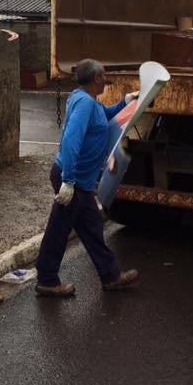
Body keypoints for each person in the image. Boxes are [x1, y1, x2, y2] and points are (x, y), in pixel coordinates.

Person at [35, 58, 138, 296]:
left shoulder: (89, 101)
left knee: (91, 228)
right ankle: (47, 280)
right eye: (103, 75)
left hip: (80, 180)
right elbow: (71, 139)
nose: (106, 80)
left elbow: (106, 116)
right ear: (96, 79)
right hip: (71, 179)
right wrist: (68, 181)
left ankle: (110, 276)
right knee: (58, 229)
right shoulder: (84, 104)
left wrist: (126, 102)